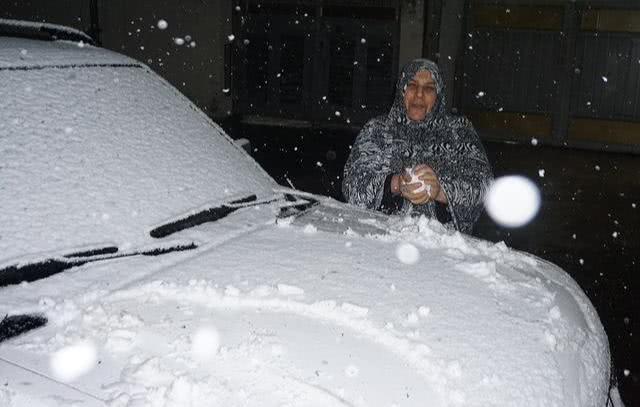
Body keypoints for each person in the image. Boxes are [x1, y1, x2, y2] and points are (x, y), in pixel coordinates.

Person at [342, 58, 492, 234]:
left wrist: (440, 191)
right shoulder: (377, 130)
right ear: (402, 90)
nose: (419, 94)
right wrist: (396, 184)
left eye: (428, 88)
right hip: (382, 239)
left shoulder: (458, 132)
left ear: (438, 96)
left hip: (446, 244)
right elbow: (352, 187)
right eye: (412, 85)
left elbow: (484, 186)